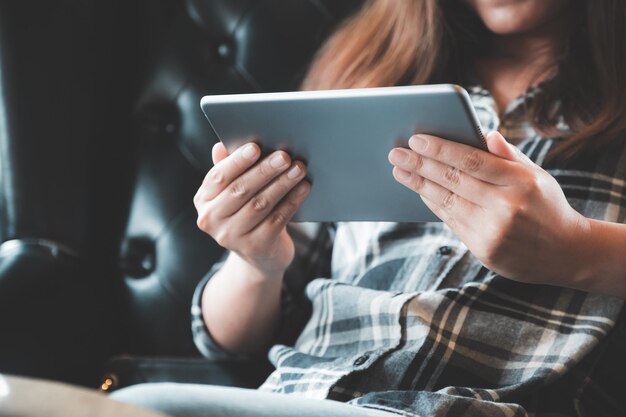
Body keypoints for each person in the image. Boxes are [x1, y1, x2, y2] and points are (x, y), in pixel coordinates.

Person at [112, 0, 626, 416]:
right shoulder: (370, 74)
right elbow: (229, 342)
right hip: (299, 393)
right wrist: (254, 262)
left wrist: (572, 247)